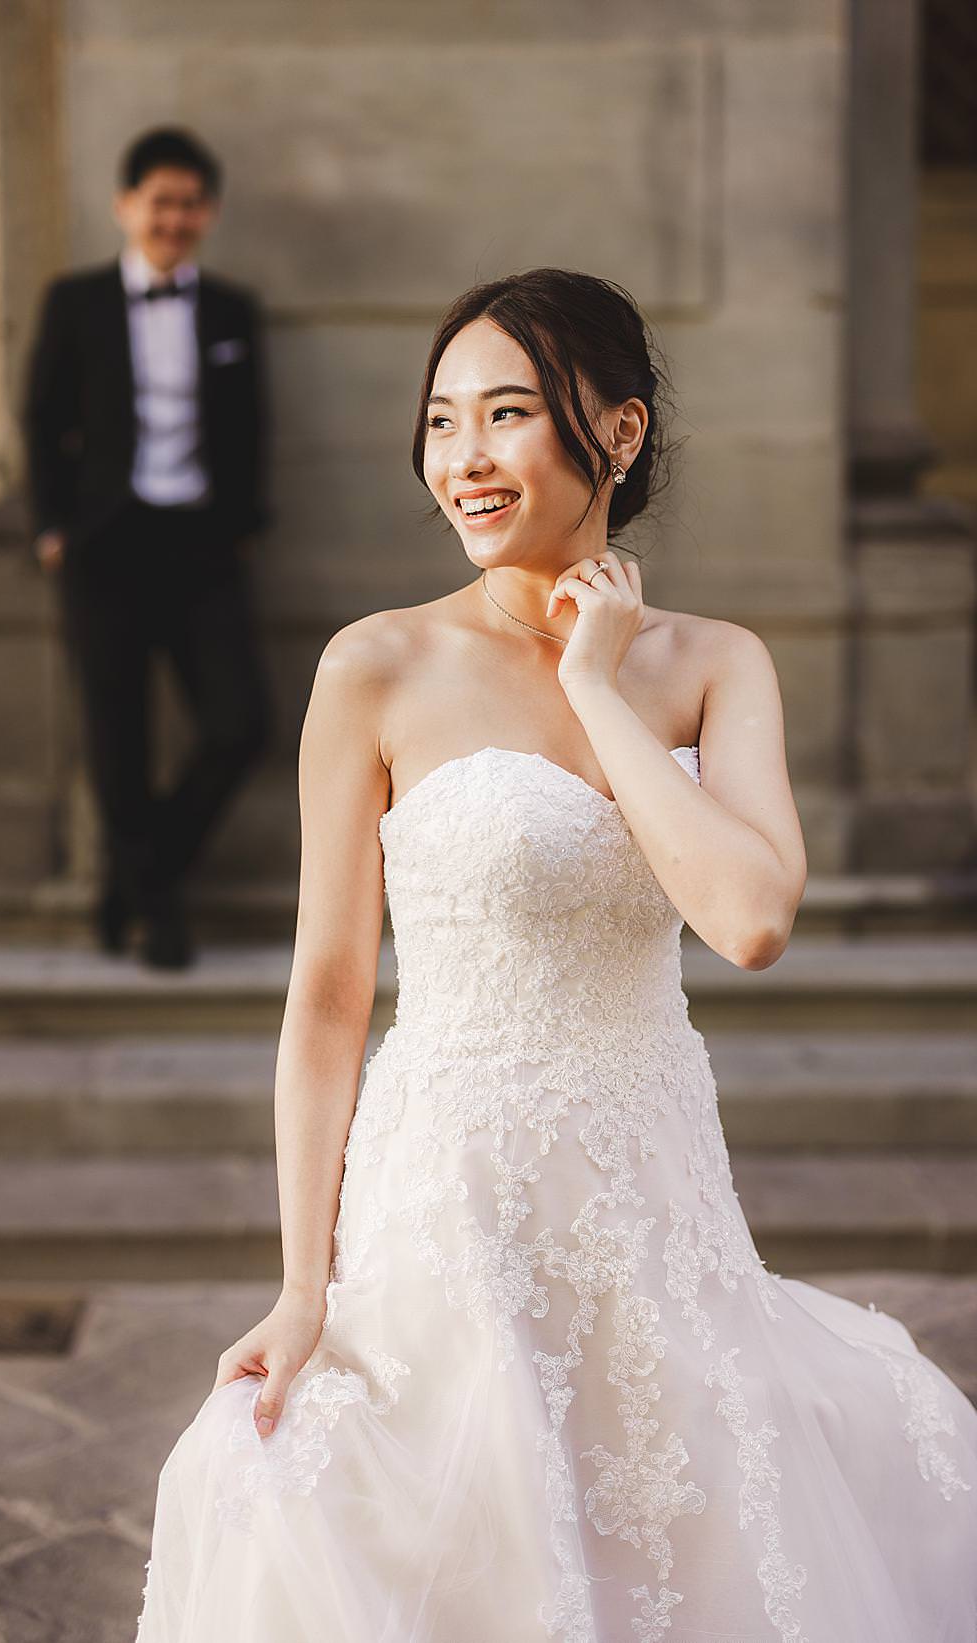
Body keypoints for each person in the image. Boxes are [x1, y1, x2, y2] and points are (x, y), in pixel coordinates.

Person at [133, 269, 977, 1641]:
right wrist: (303, 1285)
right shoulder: (375, 667)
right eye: (442, 421)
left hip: (653, 1184)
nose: (462, 458)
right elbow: (332, 997)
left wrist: (598, 678)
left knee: (681, 1530)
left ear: (619, 434)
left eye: (506, 414)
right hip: (445, 1192)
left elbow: (751, 918)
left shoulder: (715, 665)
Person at [25, 126, 276, 969]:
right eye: (160, 202)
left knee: (242, 722)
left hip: (203, 543)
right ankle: (159, 911)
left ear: (208, 212)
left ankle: (135, 878)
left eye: (190, 203)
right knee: (117, 738)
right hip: (106, 544)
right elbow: (40, 419)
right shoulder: (76, 301)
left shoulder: (233, 310)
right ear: (126, 206)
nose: (174, 218)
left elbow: (252, 426)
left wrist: (243, 526)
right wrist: (51, 528)